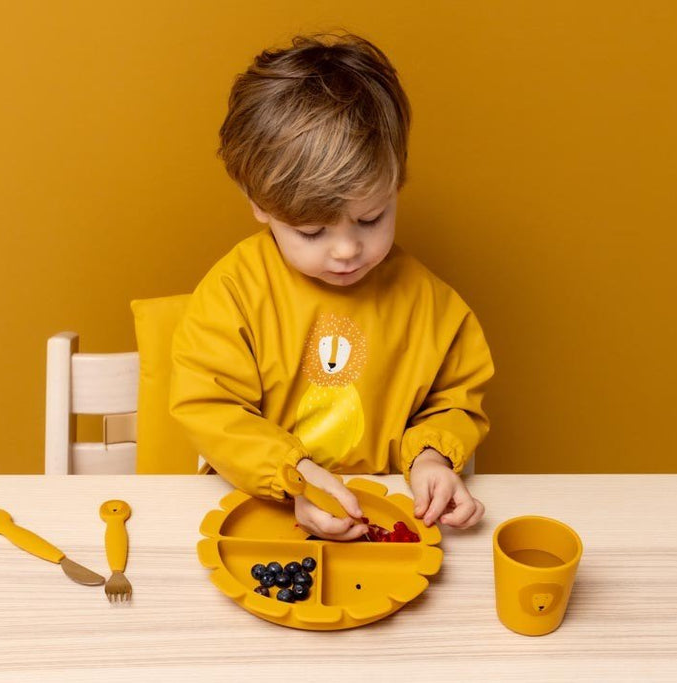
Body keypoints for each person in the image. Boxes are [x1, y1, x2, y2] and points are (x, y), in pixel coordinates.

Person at [170, 32, 493, 541]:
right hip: (262, 511)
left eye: (371, 218)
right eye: (312, 231)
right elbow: (210, 409)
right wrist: (295, 480)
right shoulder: (234, 293)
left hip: (384, 517)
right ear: (259, 204)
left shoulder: (431, 303)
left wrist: (433, 457)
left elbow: (454, 399)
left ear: (397, 183)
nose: (346, 250)